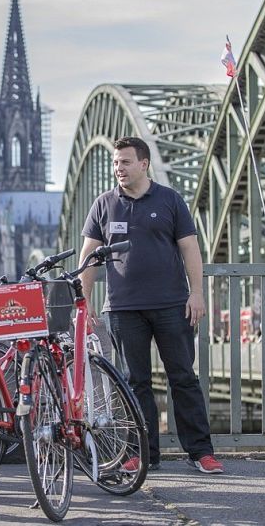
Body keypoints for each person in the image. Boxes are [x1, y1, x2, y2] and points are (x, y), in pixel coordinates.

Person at [79, 136, 224, 475]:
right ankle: (143, 454)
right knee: (134, 383)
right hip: (123, 309)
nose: (119, 168)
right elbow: (88, 258)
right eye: (116, 163)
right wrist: (83, 305)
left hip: (172, 305)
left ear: (143, 164)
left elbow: (190, 248)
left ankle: (201, 452)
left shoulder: (170, 200)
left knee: (183, 378)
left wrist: (197, 292)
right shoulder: (104, 204)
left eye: (125, 162)